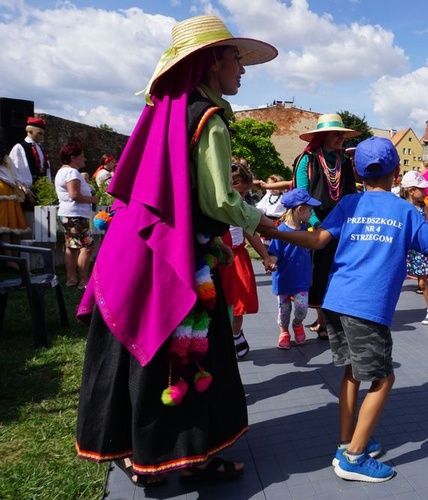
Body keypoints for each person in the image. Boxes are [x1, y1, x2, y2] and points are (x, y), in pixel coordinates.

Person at [75, 14, 278, 487]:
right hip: (173, 264)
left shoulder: (169, 112)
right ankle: (193, 456)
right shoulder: (208, 118)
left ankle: (141, 457)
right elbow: (218, 201)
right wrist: (266, 224)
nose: (242, 69)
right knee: (194, 354)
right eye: (235, 58)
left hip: (136, 254)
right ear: (211, 63)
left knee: (140, 354)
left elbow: (170, 200)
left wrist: (210, 243)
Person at [259, 137, 428, 482]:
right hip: (366, 308)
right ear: (397, 172)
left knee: (353, 373)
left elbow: (315, 240)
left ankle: (346, 443)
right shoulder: (406, 212)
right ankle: (354, 456)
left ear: (355, 171)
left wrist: (272, 229)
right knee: (384, 378)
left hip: (336, 303)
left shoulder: (349, 203)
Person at [292, 113, 361, 337]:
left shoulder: (343, 161)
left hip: (340, 224)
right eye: (336, 133)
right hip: (316, 224)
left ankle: (334, 318)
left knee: (338, 270)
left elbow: (350, 194)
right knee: (318, 272)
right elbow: (301, 193)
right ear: (323, 136)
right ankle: (323, 322)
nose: (341, 137)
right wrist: (314, 222)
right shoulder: (308, 159)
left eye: (342, 134)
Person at [218, 163, 274, 359]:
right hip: (220, 257)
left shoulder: (242, 208)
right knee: (220, 300)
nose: (242, 198)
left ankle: (235, 334)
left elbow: (252, 234)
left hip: (238, 257)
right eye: (240, 192)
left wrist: (266, 256)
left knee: (238, 304)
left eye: (245, 194)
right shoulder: (217, 206)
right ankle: (223, 336)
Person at [267, 188, 320, 349]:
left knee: (302, 308)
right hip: (284, 279)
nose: (311, 213)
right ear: (300, 209)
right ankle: (284, 331)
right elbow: (274, 252)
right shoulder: (281, 232)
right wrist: (272, 262)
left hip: (301, 279)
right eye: (310, 210)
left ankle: (297, 324)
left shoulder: (306, 230)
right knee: (283, 311)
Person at [54, 142, 98, 289]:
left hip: (67, 215)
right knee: (87, 247)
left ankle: (71, 279)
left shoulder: (62, 171)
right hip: (76, 216)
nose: (84, 160)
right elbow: (74, 195)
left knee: (71, 247)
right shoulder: (72, 172)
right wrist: (92, 199)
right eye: (82, 156)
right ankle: (83, 281)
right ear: (73, 157)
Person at [401, 170, 428, 325]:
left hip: (418, 250)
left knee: (423, 282)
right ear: (411, 190)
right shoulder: (402, 207)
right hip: (404, 248)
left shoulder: (423, 207)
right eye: (422, 189)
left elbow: (425, 227)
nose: (425, 191)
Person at [0, 130, 31, 248]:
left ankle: (15, 259)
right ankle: (10, 260)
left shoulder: (5, 158)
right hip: (3, 193)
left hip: (10, 192)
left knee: (13, 227)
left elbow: (14, 172)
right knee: (4, 228)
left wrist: (19, 183)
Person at [9, 116, 52, 193]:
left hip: (42, 189)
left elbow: (46, 169)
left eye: (43, 134)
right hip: (27, 190)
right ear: (30, 131)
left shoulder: (41, 149)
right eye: (39, 133)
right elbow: (16, 169)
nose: (42, 136)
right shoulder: (20, 147)